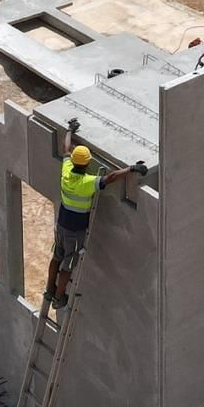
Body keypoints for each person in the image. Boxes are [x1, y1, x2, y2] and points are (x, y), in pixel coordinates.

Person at [45, 119, 146, 306]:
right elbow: (111, 178)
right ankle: (59, 298)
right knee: (67, 265)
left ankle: (50, 289)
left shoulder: (66, 172)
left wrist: (69, 130)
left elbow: (66, 149)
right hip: (75, 232)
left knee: (57, 257)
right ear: (87, 164)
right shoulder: (87, 183)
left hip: (62, 225)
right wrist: (132, 169)